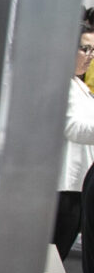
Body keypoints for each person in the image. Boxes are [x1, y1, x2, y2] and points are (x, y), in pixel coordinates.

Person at [53, 25, 94, 259]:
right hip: (65, 186)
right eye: (85, 49)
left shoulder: (79, 85)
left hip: (78, 184)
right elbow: (72, 128)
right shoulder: (61, 85)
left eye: (93, 50)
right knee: (55, 254)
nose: (90, 56)